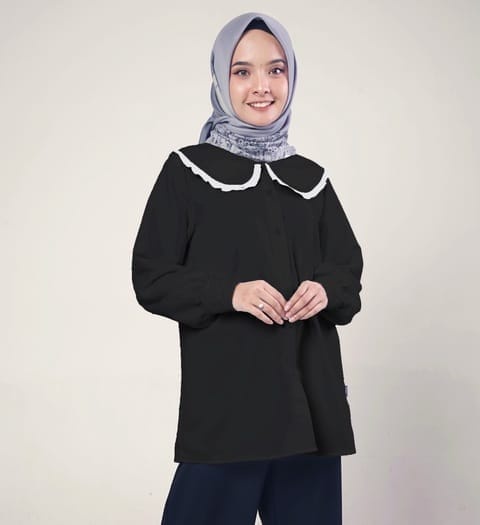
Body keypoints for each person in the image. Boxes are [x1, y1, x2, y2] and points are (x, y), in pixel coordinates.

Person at [131, 11, 364, 525]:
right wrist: (229, 293)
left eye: (276, 70)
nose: (262, 86)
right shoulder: (187, 172)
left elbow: (348, 273)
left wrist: (326, 290)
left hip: (312, 408)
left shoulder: (312, 180)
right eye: (243, 71)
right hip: (229, 408)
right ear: (221, 78)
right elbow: (150, 276)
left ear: (291, 76)